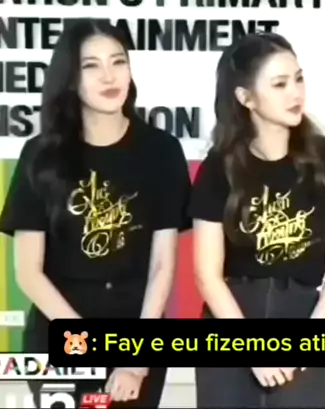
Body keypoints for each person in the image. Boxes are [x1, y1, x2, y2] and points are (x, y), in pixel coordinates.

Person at [0, 19, 192, 408]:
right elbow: (29, 274)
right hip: (60, 331)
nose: (109, 76)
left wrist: (135, 359)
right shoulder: (42, 155)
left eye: (118, 61)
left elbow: (162, 266)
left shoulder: (162, 151)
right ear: (71, 79)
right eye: (91, 65)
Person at [190, 32, 325, 409]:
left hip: (303, 314)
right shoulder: (219, 168)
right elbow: (207, 274)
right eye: (280, 84)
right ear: (246, 98)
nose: (295, 93)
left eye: (299, 79)